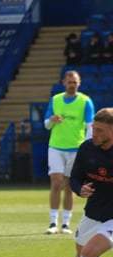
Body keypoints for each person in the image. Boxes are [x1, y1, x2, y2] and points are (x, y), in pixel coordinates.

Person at [67, 107, 113, 257]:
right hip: (93, 211)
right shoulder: (87, 148)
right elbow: (74, 178)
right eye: (94, 129)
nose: (94, 134)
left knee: (88, 253)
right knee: (80, 254)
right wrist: (80, 189)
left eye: (100, 130)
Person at [43, 70, 95, 235]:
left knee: (69, 185)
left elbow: (90, 126)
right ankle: (53, 222)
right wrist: (52, 120)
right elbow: (46, 125)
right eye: (69, 82)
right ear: (64, 83)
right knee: (56, 182)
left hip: (75, 149)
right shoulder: (56, 100)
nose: (72, 85)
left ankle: (65, 223)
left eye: (75, 82)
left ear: (79, 83)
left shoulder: (85, 101)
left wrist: (86, 146)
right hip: (56, 147)